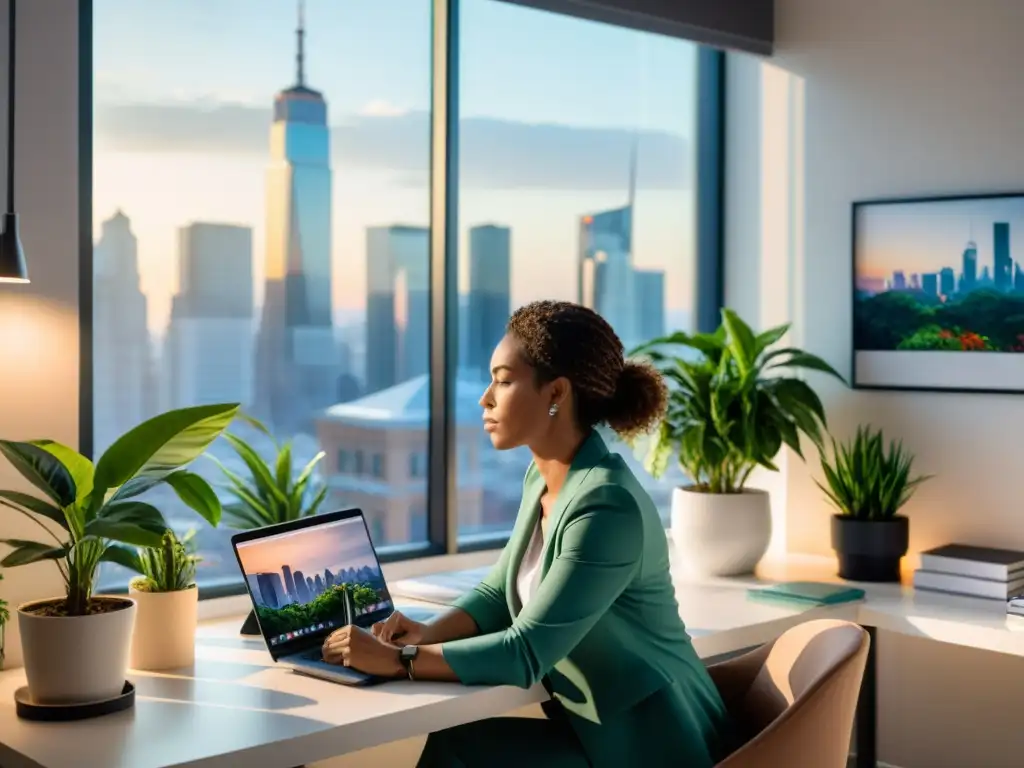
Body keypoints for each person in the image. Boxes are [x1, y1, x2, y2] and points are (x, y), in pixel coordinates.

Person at [322, 300, 736, 767]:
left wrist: (401, 661)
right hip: (594, 733)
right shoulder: (542, 479)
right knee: (459, 745)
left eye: (502, 380)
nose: (486, 397)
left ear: (555, 392)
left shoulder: (607, 506)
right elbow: (499, 593)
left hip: (652, 744)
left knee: (459, 752)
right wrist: (425, 632)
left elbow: (526, 653)